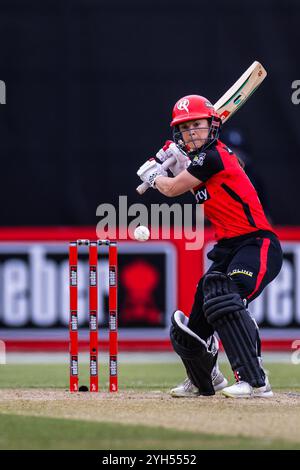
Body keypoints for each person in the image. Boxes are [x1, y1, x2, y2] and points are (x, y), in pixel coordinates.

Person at [137, 95, 283, 398]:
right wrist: (176, 163)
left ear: (212, 125)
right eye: (185, 127)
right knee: (197, 320)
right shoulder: (201, 163)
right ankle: (205, 377)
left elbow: (173, 188)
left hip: (257, 243)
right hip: (228, 247)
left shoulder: (214, 156)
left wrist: (154, 174)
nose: (192, 132)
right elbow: (190, 177)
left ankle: (255, 378)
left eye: (197, 125)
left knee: (227, 298)